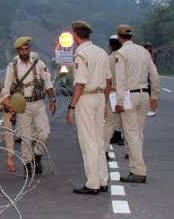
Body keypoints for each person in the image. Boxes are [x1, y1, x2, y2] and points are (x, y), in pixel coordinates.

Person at [65, 21, 110, 194]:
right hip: (99, 97)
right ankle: (102, 179)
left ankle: (92, 183)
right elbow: (108, 81)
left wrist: (71, 106)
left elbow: (80, 84)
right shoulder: (101, 52)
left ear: (76, 35)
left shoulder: (81, 54)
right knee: (98, 140)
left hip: (86, 98)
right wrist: (105, 102)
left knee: (88, 142)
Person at [3, 36, 56, 176]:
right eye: (22, 50)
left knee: (44, 133)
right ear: (18, 51)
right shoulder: (12, 66)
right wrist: (9, 106)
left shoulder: (39, 64)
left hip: (38, 104)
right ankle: (27, 164)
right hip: (22, 107)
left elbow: (48, 82)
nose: (25, 52)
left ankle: (37, 156)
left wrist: (53, 99)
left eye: (27, 49)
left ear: (29, 49)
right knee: (26, 138)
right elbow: (6, 88)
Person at [114, 25, 161, 183]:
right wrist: (154, 96)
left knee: (131, 134)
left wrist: (119, 101)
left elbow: (120, 79)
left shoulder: (121, 53)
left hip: (129, 96)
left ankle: (138, 171)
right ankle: (136, 166)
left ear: (119, 37)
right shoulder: (143, 51)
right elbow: (154, 75)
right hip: (144, 95)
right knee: (139, 133)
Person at [104, 35, 123, 156]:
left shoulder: (108, 59)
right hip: (126, 93)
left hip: (112, 92)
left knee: (109, 123)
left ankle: (105, 150)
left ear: (110, 45)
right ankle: (129, 151)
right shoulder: (126, 57)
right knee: (128, 124)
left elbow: (105, 79)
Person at [143, 42, 159, 117]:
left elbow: (154, 61)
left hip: (151, 70)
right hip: (144, 72)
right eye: (147, 47)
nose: (148, 48)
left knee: (151, 85)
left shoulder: (153, 52)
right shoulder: (142, 53)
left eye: (149, 47)